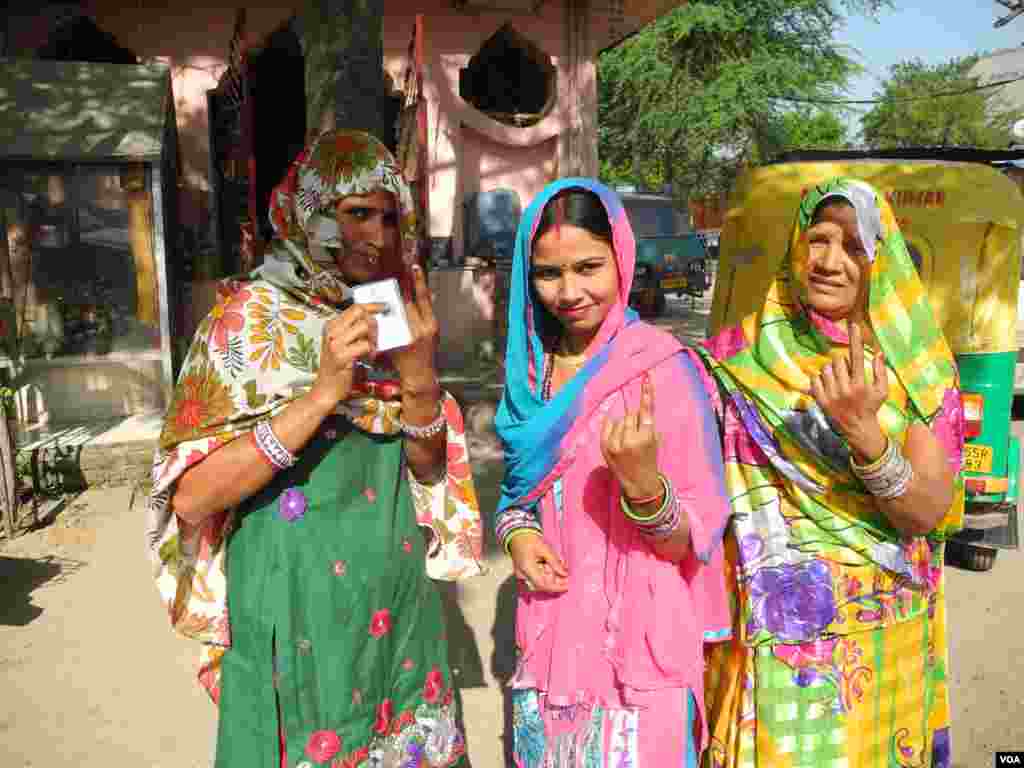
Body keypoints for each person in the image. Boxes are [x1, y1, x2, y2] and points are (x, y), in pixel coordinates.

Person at [144, 129, 484, 768]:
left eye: (390, 217)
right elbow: (190, 496)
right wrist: (321, 395)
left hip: (397, 615)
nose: (377, 237)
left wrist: (417, 373)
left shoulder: (392, 315)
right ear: (311, 213)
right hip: (296, 615)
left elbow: (430, 471)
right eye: (357, 214)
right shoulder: (246, 321)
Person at [697, 178, 964, 768]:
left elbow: (926, 513)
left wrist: (866, 437)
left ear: (881, 259)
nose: (828, 261)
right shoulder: (736, 362)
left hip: (883, 629)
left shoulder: (916, 366)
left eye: (853, 246)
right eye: (818, 239)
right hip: (768, 633)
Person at [492, 178, 733, 767]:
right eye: (548, 273)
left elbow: (696, 538)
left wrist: (645, 489)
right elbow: (517, 495)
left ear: (621, 257)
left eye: (588, 267)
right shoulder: (532, 379)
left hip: (639, 649)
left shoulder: (663, 368)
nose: (569, 291)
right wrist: (519, 534)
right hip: (551, 638)